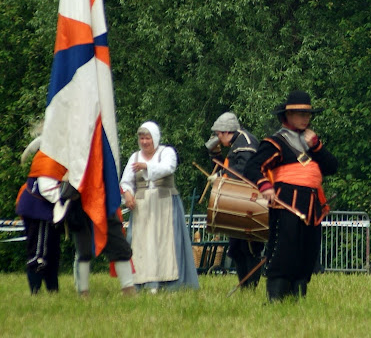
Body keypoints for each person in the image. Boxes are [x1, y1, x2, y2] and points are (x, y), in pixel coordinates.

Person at [246, 90, 338, 301]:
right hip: (286, 205)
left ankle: (298, 297)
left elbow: (332, 167)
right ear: (287, 116)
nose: (305, 119)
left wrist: (317, 146)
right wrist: (265, 186)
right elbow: (253, 166)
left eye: (307, 115)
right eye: (300, 114)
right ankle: (276, 298)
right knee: (283, 253)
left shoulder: (312, 143)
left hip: (312, 206)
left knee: (307, 253)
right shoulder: (275, 142)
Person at [120, 121, 199, 292]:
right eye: (141, 138)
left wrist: (147, 166)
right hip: (143, 207)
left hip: (165, 205)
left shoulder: (166, 152)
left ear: (155, 138)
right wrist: (127, 193)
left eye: (147, 138)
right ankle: (144, 282)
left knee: (163, 242)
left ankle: (167, 283)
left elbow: (168, 168)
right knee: (142, 244)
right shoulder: (134, 157)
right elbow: (126, 181)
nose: (144, 142)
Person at [206, 111, 264, 289]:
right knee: (237, 250)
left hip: (250, 202)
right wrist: (215, 156)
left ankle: (251, 288)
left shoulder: (245, 143)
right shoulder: (236, 143)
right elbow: (228, 165)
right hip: (240, 201)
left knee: (249, 249)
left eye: (218, 134)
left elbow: (244, 172)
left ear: (225, 132)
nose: (217, 137)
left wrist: (221, 176)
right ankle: (245, 288)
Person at [15, 132, 63, 294]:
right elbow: (47, 188)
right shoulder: (48, 158)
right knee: (39, 253)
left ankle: (52, 290)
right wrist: (65, 199)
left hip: (45, 210)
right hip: (39, 210)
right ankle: (35, 292)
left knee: (52, 253)